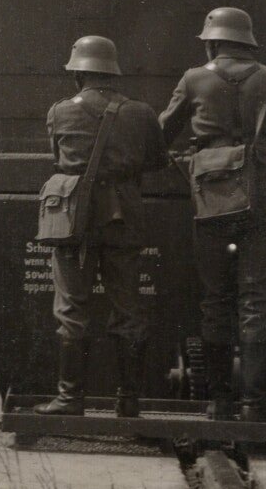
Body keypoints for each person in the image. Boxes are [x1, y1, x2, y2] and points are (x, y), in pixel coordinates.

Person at [160, 6, 266, 421]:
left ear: (213, 42)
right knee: (257, 298)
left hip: (212, 196)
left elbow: (159, 136)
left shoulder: (194, 79)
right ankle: (254, 404)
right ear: (247, 41)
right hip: (265, 196)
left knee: (215, 299)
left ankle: (219, 402)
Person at [29, 36, 170, 417]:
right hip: (123, 217)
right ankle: (128, 401)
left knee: (72, 307)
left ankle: (70, 399)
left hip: (73, 220)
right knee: (128, 306)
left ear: (78, 72)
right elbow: (157, 160)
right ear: (113, 72)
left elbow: (58, 158)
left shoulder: (59, 112)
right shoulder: (140, 112)